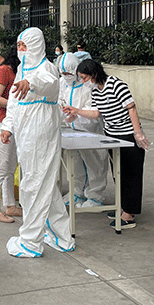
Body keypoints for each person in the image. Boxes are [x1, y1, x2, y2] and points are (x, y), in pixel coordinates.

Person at [1, 28, 75, 257]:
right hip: (25, 135)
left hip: (41, 133)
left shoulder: (46, 69)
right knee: (44, 186)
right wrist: (7, 126)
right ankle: (62, 237)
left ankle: (31, 241)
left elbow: (50, 85)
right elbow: (13, 102)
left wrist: (31, 83)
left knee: (34, 186)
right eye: (19, 46)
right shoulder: (23, 68)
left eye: (25, 46)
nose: (21, 50)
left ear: (36, 46)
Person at [63, 59, 151, 229]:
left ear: (94, 74)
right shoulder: (96, 91)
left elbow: (131, 107)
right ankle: (122, 207)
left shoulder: (116, 84)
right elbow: (96, 113)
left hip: (128, 135)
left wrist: (137, 133)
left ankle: (129, 215)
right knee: (118, 173)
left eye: (85, 78)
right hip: (112, 136)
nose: (83, 82)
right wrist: (76, 111)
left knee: (131, 174)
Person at [58, 52, 108, 208]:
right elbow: (59, 100)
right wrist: (64, 111)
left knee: (95, 164)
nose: (66, 76)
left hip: (90, 131)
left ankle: (95, 197)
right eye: (63, 73)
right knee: (76, 164)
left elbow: (94, 109)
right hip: (72, 130)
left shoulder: (88, 84)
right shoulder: (63, 83)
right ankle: (77, 193)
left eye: (69, 73)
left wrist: (77, 113)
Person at [0, 46, 21, 223]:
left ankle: (10, 205)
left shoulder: (12, 71)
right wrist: (18, 107)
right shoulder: (3, 71)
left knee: (10, 166)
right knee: (0, 166)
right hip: (1, 122)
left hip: (10, 122)